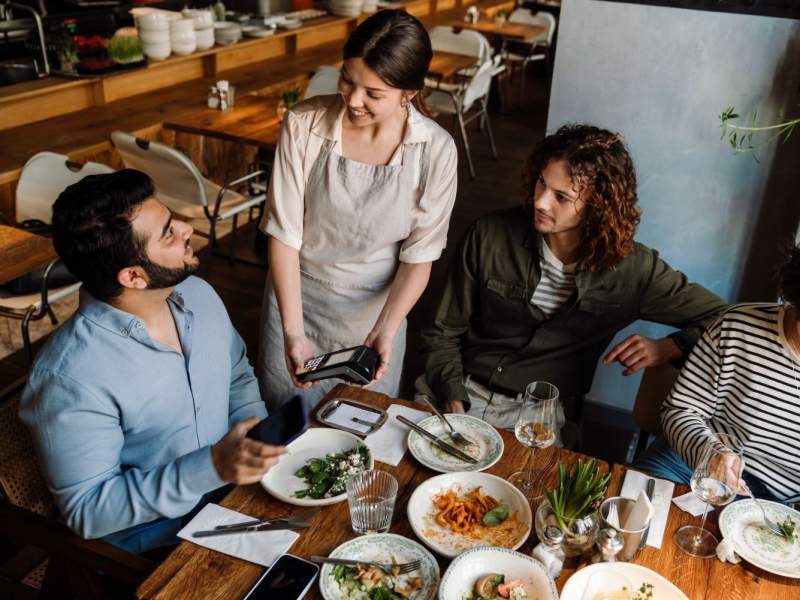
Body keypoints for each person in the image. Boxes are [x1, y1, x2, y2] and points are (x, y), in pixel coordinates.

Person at [19, 170, 284, 555]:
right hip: (158, 547)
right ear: (134, 277)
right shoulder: (69, 377)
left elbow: (236, 374)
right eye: (167, 233)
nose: (187, 228)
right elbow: (88, 511)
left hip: (238, 500)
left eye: (172, 218)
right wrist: (210, 468)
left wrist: (259, 439)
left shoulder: (199, 295)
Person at [417, 124, 727, 438]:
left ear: (598, 207)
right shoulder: (489, 235)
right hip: (459, 386)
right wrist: (454, 401)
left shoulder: (634, 270)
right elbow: (441, 330)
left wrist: (670, 347)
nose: (540, 202)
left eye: (561, 197)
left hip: (538, 412)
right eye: (541, 183)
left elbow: (724, 319)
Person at [258, 9, 458, 412]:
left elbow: (418, 257)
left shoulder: (435, 151)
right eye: (347, 79)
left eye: (373, 93)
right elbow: (284, 233)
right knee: (284, 429)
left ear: (409, 92)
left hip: (375, 315)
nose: (352, 99)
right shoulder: (304, 123)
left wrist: (384, 331)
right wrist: (293, 332)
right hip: (297, 301)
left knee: (359, 432)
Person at [635, 245, 800, 504]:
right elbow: (681, 410)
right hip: (691, 464)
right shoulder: (737, 326)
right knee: (630, 518)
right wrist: (711, 453)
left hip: (780, 504)